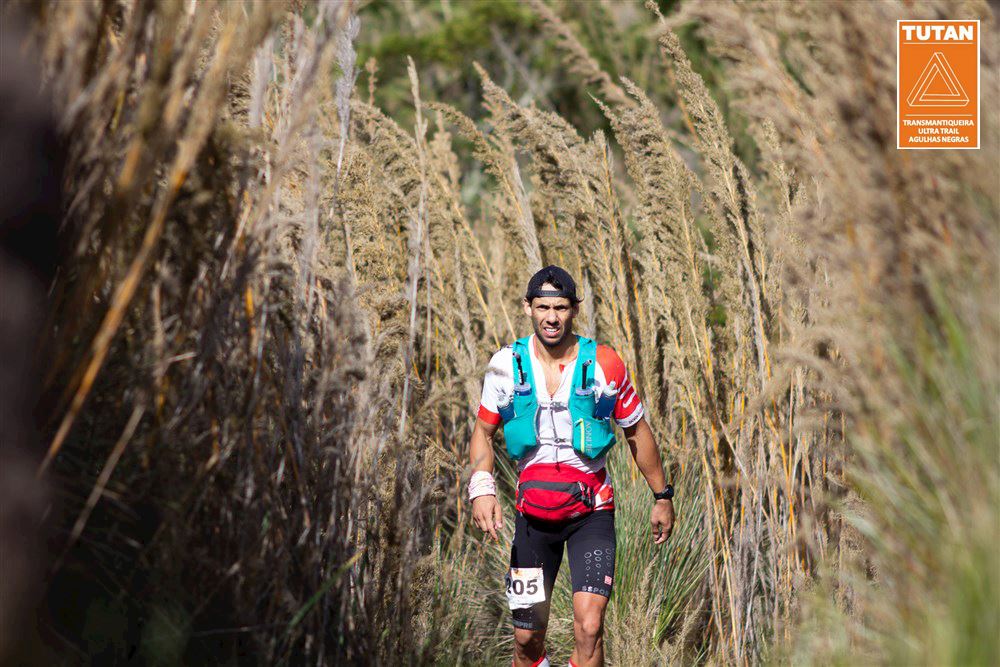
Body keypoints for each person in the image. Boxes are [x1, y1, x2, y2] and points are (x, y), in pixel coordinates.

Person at [468, 265, 675, 667]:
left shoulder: (605, 364)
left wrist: (661, 495)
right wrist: (482, 488)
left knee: (590, 627)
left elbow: (637, 431)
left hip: (591, 515)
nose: (551, 317)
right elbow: (482, 432)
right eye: (543, 307)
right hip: (533, 517)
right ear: (527, 307)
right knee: (527, 639)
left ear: (574, 310)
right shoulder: (504, 365)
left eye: (560, 307)